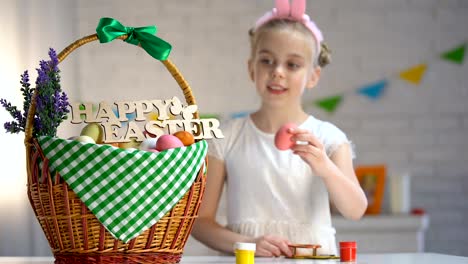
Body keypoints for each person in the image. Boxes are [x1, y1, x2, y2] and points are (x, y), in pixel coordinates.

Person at [191, 0, 368, 257]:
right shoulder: (226, 138)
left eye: (293, 64)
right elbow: (200, 222)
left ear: (313, 76)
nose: (277, 72)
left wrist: (325, 168)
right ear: (251, 68)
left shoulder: (329, 139)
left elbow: (356, 210)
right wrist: (248, 243)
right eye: (267, 61)